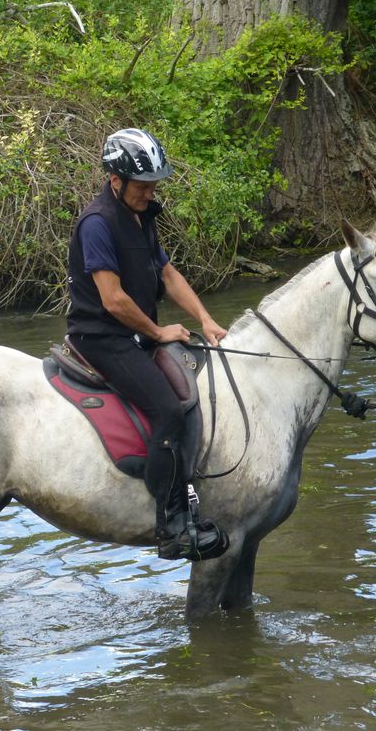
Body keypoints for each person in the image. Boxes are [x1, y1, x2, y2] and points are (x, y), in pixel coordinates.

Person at [66, 128, 229, 561]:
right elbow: (113, 299)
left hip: (134, 334)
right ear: (115, 180)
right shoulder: (97, 224)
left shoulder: (143, 216)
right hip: (103, 338)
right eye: (142, 185)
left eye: (154, 184)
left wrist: (206, 320)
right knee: (168, 410)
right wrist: (158, 333)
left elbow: (169, 276)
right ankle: (172, 525)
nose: (149, 192)